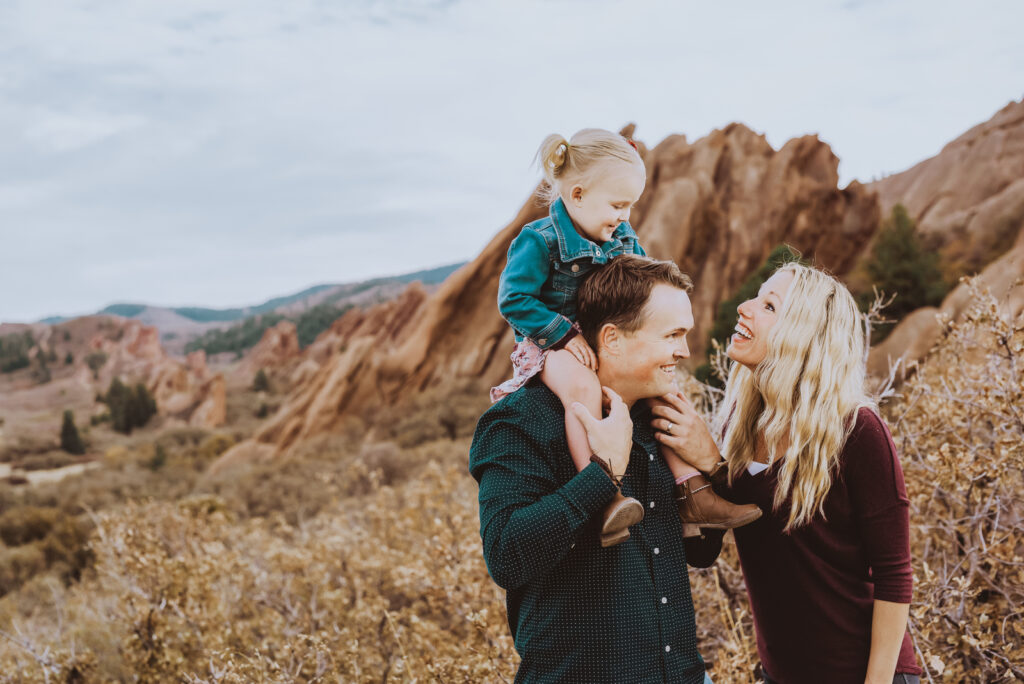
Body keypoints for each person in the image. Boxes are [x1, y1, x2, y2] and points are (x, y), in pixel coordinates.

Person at [648, 262, 922, 684]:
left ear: (804, 333)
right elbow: (703, 552)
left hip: (862, 675)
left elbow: (894, 575)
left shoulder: (857, 429)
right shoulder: (742, 422)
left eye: (769, 305)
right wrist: (704, 466)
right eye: (756, 297)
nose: (745, 308)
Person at [492, 127, 758, 546]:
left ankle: (692, 490)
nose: (625, 217)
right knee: (581, 386)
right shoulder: (539, 241)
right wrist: (561, 335)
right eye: (618, 205)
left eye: (631, 206)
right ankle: (604, 492)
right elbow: (514, 300)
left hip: (599, 335)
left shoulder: (620, 237)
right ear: (577, 195)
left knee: (664, 392)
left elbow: (642, 282)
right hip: (549, 342)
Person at [470, 255, 719, 683]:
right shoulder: (521, 421)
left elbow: (701, 551)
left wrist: (711, 464)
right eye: (672, 335)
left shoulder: (661, 420)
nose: (685, 350)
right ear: (613, 339)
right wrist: (601, 477)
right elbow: (506, 556)